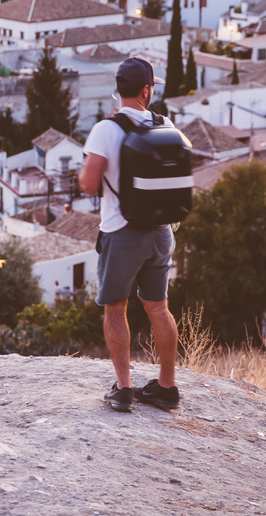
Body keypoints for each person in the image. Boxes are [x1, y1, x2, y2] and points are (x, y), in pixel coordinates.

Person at [79, 57, 180, 413]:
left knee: (115, 308)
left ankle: (123, 389)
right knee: (158, 308)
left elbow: (90, 184)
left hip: (122, 233)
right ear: (147, 90)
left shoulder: (106, 129)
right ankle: (166, 387)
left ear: (117, 90)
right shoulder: (164, 123)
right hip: (161, 233)